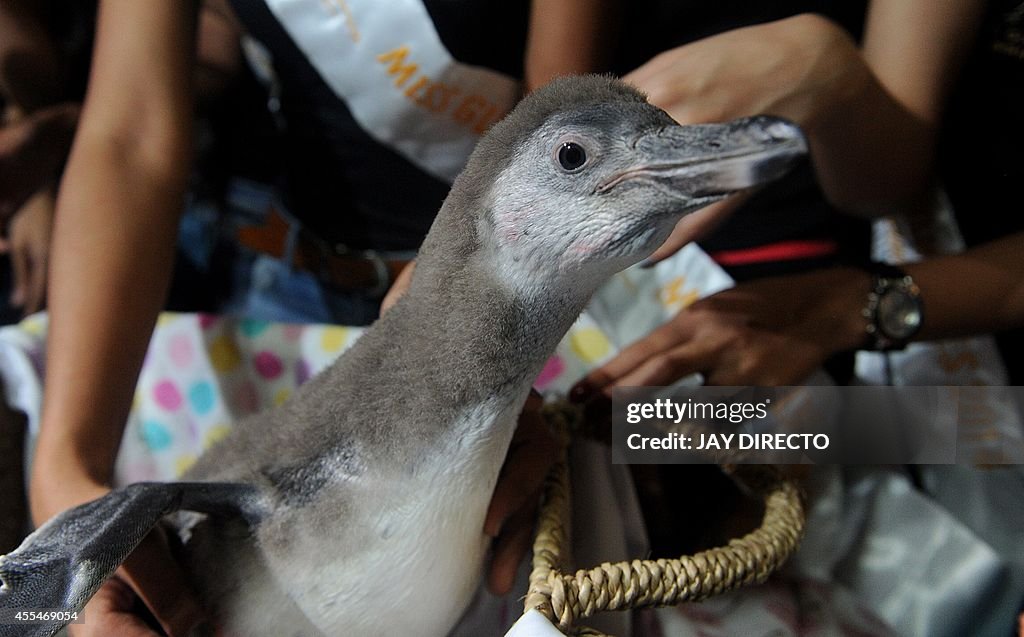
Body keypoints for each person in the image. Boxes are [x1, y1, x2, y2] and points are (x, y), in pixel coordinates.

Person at [27, 1, 604, 635]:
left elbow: (572, 132)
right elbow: (131, 133)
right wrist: (65, 481)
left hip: (531, 299)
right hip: (294, 283)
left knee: (655, 438)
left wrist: (483, 345)